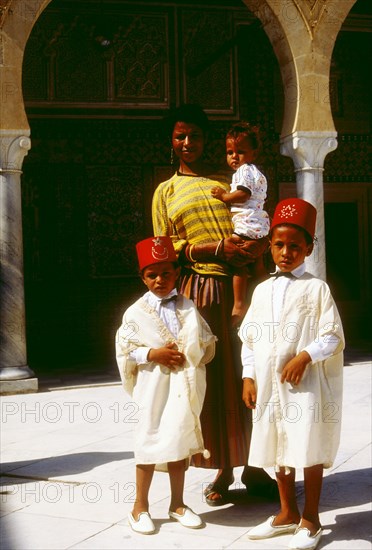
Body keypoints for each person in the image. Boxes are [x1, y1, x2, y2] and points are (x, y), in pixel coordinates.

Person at [152, 103, 277, 506]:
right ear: (171, 142)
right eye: (180, 136)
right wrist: (209, 247)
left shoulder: (232, 178)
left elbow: (257, 218)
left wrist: (252, 250)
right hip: (197, 292)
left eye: (196, 136)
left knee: (252, 375)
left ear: (208, 140)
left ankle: (256, 467)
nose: (188, 143)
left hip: (244, 290)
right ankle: (223, 469)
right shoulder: (166, 191)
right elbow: (162, 249)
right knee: (213, 383)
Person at [239, 198, 344, 550]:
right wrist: (248, 375)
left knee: (306, 445)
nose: (286, 252)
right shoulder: (262, 289)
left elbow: (331, 335)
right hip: (269, 385)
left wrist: (304, 356)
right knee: (278, 444)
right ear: (270, 246)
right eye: (280, 245)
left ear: (309, 249)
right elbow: (249, 337)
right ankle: (286, 513)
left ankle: (310, 518)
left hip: (305, 385)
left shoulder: (316, 288)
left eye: (295, 247)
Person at [115, 235, 216, 534]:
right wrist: (153, 353)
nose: (160, 279)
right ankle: (139, 507)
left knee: (178, 440)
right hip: (153, 385)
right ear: (143, 277)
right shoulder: (134, 313)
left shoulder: (187, 306)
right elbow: (124, 349)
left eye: (166, 273)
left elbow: (206, 341)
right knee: (148, 441)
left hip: (182, 384)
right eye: (152, 275)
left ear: (176, 274)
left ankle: (177, 504)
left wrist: (191, 347)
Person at [211, 121, 270, 325]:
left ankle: (238, 304)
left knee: (237, 262)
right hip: (260, 225)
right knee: (258, 264)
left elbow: (243, 194)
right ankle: (269, 291)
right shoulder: (258, 172)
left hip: (247, 224)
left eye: (240, 151)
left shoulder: (244, 171)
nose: (234, 157)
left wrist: (224, 196)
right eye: (230, 152)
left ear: (253, 153)